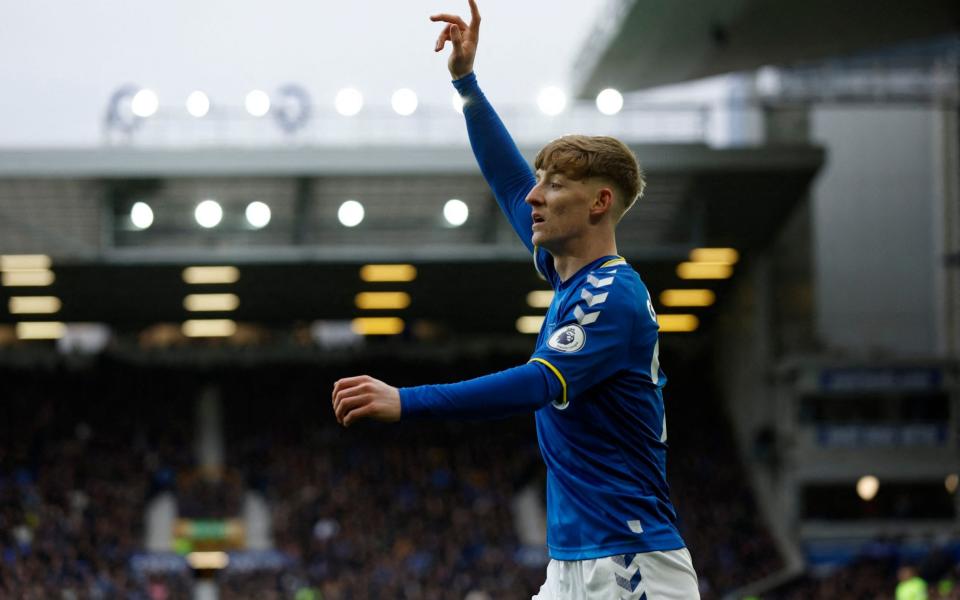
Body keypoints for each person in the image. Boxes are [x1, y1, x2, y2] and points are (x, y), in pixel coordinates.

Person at [331, 1, 699, 597]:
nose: (535, 197)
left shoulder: (611, 295)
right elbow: (508, 183)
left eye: (555, 186)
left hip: (631, 564)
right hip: (573, 564)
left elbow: (535, 384)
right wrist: (466, 84)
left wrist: (407, 400)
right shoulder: (569, 278)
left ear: (598, 203)